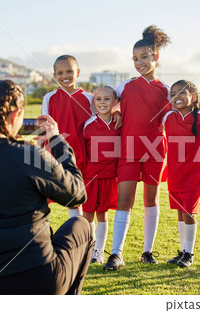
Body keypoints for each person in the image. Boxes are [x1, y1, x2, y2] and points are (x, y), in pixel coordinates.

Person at [0, 80, 93, 294]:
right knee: (81, 225)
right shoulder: (30, 157)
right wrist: (56, 140)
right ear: (15, 116)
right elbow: (77, 193)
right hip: (40, 278)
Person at [103, 25, 171, 270]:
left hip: (155, 149)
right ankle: (116, 254)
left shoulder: (166, 91)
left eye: (144, 57)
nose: (139, 62)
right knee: (124, 200)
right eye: (135, 59)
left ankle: (148, 251)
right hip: (129, 149)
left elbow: (177, 114)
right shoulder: (125, 87)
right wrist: (116, 112)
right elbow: (104, 103)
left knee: (151, 200)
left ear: (156, 57)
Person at [41, 55, 121, 218]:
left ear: (77, 72)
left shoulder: (89, 98)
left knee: (77, 201)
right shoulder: (49, 98)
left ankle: (80, 239)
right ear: (55, 75)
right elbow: (44, 128)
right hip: (55, 156)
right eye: (60, 72)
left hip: (81, 158)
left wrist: (116, 111)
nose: (65, 76)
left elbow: (102, 115)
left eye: (69, 71)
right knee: (44, 199)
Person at [162, 80, 200, 267]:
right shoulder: (168, 117)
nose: (177, 97)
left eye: (182, 93)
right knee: (179, 211)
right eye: (173, 93)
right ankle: (183, 250)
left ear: (193, 97)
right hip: (175, 171)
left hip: (195, 172)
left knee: (189, 211)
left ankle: (189, 253)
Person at [82, 86, 121, 264]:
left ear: (115, 102)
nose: (103, 102)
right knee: (88, 213)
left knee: (102, 213)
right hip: (90, 176)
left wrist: (118, 114)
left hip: (109, 176)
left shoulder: (119, 122)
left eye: (107, 99)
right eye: (99, 99)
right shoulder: (88, 124)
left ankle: (99, 251)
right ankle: (88, 248)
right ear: (94, 102)